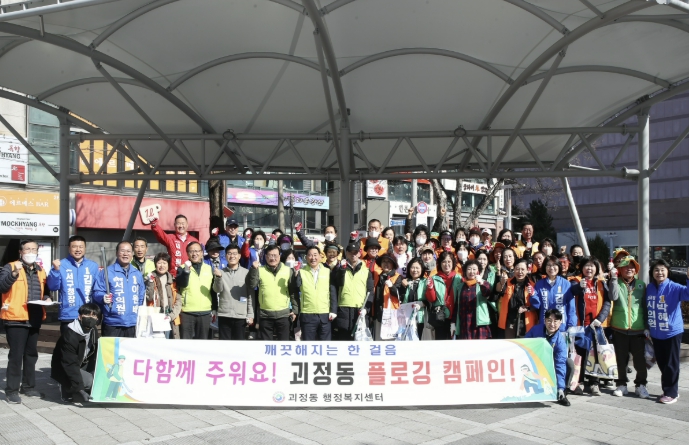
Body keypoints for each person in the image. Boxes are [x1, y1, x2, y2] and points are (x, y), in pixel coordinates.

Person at [0, 239, 49, 403]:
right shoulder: (10, 267)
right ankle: (11, 390)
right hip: (15, 318)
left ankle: (28, 386)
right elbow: (2, 287)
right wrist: (14, 274)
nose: (31, 252)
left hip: (34, 317)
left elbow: (45, 291)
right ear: (21, 252)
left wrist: (47, 298)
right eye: (27, 249)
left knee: (31, 354)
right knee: (16, 355)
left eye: (34, 249)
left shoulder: (40, 270)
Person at [645, 259, 689, 404]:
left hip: (672, 332)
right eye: (656, 270)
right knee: (663, 363)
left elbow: (688, 294)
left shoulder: (674, 287)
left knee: (671, 364)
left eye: (662, 270)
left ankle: (671, 393)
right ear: (652, 272)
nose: (660, 273)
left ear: (668, 272)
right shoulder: (649, 288)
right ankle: (670, 390)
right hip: (656, 333)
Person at [608, 254, 649, 399]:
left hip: (638, 329)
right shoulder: (615, 282)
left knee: (640, 361)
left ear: (636, 269)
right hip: (619, 328)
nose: (629, 269)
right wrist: (613, 279)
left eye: (632, 267)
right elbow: (613, 297)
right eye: (625, 267)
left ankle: (640, 385)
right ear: (620, 269)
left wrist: (647, 326)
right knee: (621, 360)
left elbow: (645, 307)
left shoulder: (641, 285)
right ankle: (621, 384)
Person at [570, 257, 612, 396]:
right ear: (581, 268)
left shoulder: (601, 283)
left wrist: (600, 319)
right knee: (580, 354)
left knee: (596, 354)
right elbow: (571, 292)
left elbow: (607, 302)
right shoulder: (575, 280)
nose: (589, 268)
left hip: (596, 325)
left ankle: (594, 382)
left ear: (597, 269)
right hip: (580, 325)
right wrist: (579, 287)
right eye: (586, 266)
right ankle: (580, 382)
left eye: (592, 266)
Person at [47, 235, 99, 335]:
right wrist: (55, 270)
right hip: (68, 314)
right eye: (74, 246)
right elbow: (53, 287)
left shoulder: (93, 266)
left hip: (88, 315)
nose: (78, 249)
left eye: (81, 247)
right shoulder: (61, 265)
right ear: (69, 248)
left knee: (87, 344)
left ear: (85, 248)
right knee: (69, 344)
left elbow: (97, 289)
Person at [93, 241, 145, 338]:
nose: (125, 254)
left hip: (133, 323)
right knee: (111, 348)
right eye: (122, 251)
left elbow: (141, 296)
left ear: (132, 254)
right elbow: (97, 292)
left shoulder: (137, 273)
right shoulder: (107, 272)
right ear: (116, 253)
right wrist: (103, 297)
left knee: (130, 348)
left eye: (128, 251)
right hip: (112, 323)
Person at [50, 303, 100, 403]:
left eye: (94, 315)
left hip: (82, 363)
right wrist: (80, 389)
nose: (91, 318)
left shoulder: (93, 330)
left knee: (99, 378)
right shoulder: (70, 335)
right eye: (87, 315)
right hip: (64, 367)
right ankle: (65, 386)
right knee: (90, 381)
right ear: (80, 317)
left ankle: (77, 385)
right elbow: (69, 364)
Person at [246, 244, 295, 340]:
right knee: (266, 344)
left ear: (279, 256)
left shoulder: (288, 270)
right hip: (265, 315)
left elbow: (293, 292)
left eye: (275, 255)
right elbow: (251, 285)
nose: (273, 258)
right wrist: (253, 269)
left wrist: (295, 310)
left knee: (283, 343)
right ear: (265, 257)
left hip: (284, 314)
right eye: (270, 255)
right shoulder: (260, 270)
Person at [525, 309, 571, 407]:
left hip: (551, 366)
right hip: (534, 363)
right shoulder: (535, 330)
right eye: (549, 320)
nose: (552, 324)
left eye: (555, 321)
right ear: (545, 320)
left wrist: (560, 388)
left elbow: (560, 364)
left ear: (560, 322)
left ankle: (561, 392)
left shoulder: (560, 341)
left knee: (569, 363)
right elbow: (524, 344)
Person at [291, 246, 336, 341]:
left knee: (325, 344)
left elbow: (332, 292)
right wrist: (295, 273)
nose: (313, 258)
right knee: (308, 344)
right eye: (310, 255)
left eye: (315, 255)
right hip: (308, 314)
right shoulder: (301, 272)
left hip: (325, 314)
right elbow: (296, 286)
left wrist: (333, 310)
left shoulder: (328, 271)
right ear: (306, 257)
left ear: (320, 256)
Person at [332, 242, 374, 340]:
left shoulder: (366, 270)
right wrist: (341, 270)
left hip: (360, 309)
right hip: (343, 308)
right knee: (343, 339)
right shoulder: (340, 268)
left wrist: (366, 309)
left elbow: (370, 291)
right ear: (346, 253)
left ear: (359, 253)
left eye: (355, 252)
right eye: (350, 252)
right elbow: (337, 284)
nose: (353, 255)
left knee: (360, 340)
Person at [212, 244, 252, 340]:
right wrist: (218, 277)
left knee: (239, 344)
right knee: (224, 344)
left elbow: (250, 296)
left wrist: (250, 314)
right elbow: (217, 289)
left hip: (241, 315)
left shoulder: (246, 273)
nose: (232, 256)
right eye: (229, 253)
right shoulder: (220, 272)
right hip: (224, 314)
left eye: (234, 253)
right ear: (226, 256)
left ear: (239, 256)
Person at [176, 242, 213, 339]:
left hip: (205, 311)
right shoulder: (182, 268)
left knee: (203, 342)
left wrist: (214, 309)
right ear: (187, 254)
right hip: (187, 311)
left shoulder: (209, 268)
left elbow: (212, 290)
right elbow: (182, 284)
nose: (194, 254)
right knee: (186, 342)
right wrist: (186, 271)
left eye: (197, 251)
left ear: (202, 253)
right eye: (191, 251)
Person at [531, 255, 576, 332]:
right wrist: (532, 295)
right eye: (548, 265)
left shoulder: (566, 284)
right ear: (545, 267)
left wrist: (571, 325)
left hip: (562, 327)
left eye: (554, 265)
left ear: (559, 266)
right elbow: (536, 305)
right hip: (545, 326)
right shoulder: (539, 284)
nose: (551, 268)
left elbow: (571, 308)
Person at [495, 258, 537, 338]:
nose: (520, 272)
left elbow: (537, 304)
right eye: (517, 269)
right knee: (510, 343)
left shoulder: (532, 285)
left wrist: (527, 308)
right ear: (513, 269)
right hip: (510, 320)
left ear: (527, 270)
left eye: (522, 269)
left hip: (526, 320)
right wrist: (501, 282)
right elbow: (497, 290)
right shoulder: (507, 282)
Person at [424, 251, 461, 340]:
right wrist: (430, 287)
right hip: (441, 317)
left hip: (455, 316)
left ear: (453, 263)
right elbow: (432, 299)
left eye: (449, 261)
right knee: (441, 343)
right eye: (444, 262)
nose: (446, 264)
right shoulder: (434, 278)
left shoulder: (458, 278)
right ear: (440, 264)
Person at [453, 259, 493, 339]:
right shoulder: (460, 287)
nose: (471, 272)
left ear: (478, 271)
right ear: (465, 271)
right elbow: (457, 306)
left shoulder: (483, 283)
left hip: (479, 323)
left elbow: (487, 293)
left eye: (474, 269)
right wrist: (453, 322)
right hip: (464, 323)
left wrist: (481, 283)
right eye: (469, 269)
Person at [144, 252, 181, 339]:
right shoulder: (149, 279)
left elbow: (178, 301)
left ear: (168, 265)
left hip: (170, 317)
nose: (162, 266)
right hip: (154, 317)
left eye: (164, 263)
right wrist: (150, 282)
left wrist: (171, 316)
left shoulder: (173, 280)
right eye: (159, 263)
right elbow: (149, 298)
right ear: (155, 264)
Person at [372, 253, 402, 340]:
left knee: (390, 338)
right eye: (384, 261)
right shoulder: (378, 277)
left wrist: (392, 287)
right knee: (378, 339)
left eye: (389, 262)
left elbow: (399, 295)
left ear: (393, 264)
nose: (386, 263)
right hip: (378, 312)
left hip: (391, 313)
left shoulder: (397, 277)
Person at [399, 258, 428, 338]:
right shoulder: (404, 281)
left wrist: (422, 304)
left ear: (422, 269)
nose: (415, 270)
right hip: (406, 317)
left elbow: (430, 300)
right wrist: (403, 287)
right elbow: (400, 298)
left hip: (420, 317)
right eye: (412, 267)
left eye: (417, 268)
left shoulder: (426, 282)